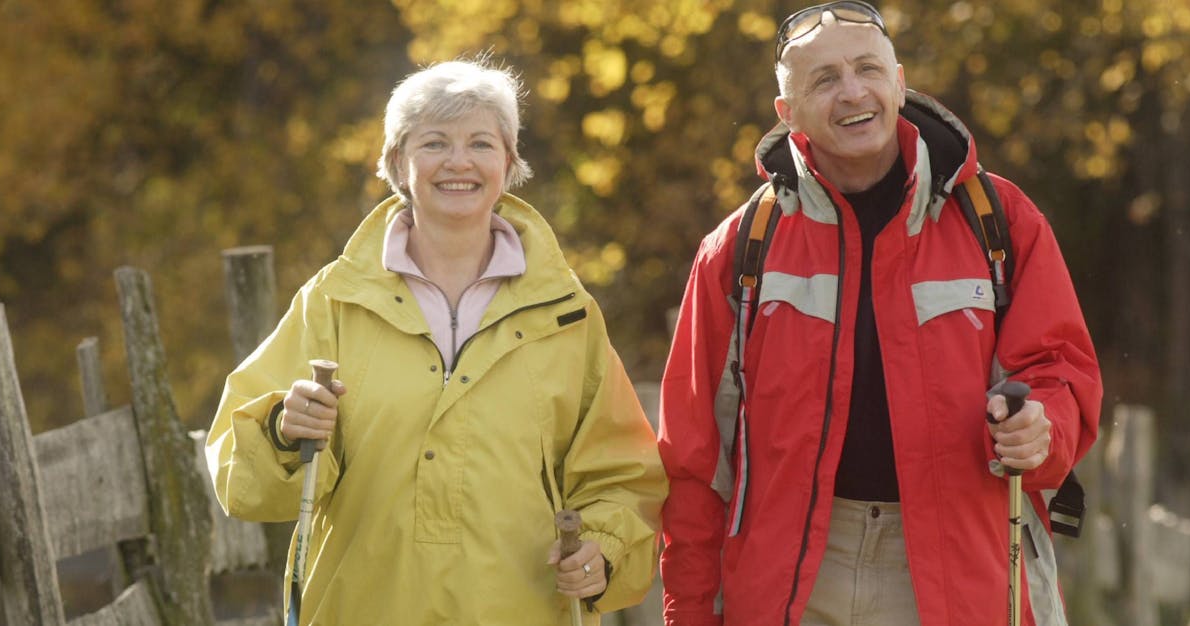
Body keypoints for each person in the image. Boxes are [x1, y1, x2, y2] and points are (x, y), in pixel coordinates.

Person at [657, 3, 1103, 626]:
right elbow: (694, 462)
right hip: (789, 579)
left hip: (960, 570)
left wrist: (1043, 428)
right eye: (824, 79)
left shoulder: (1001, 221)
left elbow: (1063, 373)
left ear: (899, 80)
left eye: (868, 69)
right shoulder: (737, 248)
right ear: (788, 115)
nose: (852, 92)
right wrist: (689, 613)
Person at [205, 58, 667, 625]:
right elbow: (241, 473)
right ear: (398, 162)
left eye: (481, 143)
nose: (458, 162)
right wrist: (283, 428)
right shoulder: (334, 300)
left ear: (509, 163)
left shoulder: (568, 315)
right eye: (434, 143)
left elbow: (622, 475)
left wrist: (603, 549)